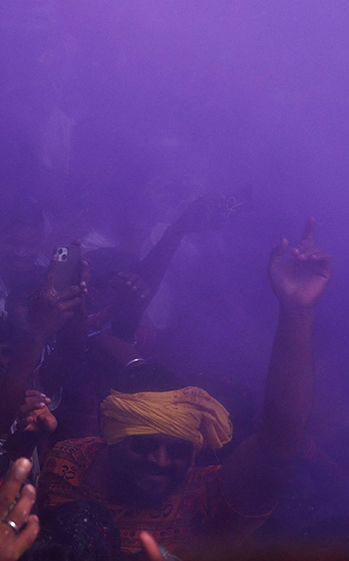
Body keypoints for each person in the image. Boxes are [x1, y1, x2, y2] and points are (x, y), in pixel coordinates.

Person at [36, 220, 333, 556]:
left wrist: (297, 312)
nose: (161, 461)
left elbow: (280, 440)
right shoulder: (69, 460)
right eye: (146, 445)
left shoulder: (205, 501)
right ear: (114, 435)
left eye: (178, 451)